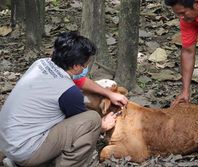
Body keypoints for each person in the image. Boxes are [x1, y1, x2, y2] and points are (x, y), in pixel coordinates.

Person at [0, 31, 128, 167]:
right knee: (92, 120)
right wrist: (102, 126)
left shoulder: (41, 63)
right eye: (85, 65)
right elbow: (80, 126)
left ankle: (19, 161)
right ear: (76, 66)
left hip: (7, 141)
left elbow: (79, 80)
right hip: (25, 151)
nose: (85, 68)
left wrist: (109, 94)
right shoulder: (69, 92)